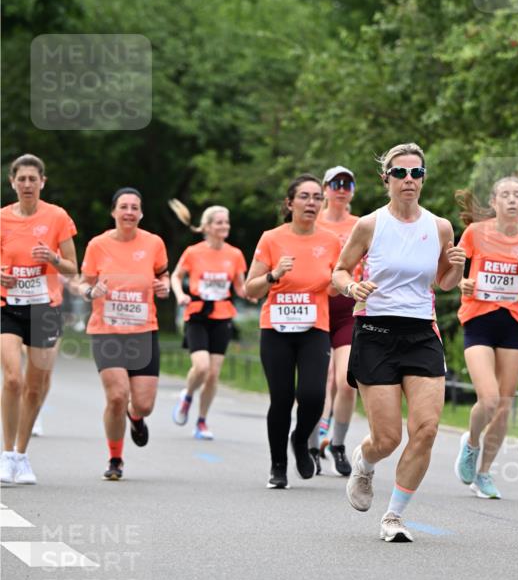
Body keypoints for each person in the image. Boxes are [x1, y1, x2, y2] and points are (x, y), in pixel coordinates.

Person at [332, 143, 466, 543]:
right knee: (387, 438)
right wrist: (353, 286)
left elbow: (443, 284)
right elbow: (339, 271)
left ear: (424, 178)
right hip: (375, 331)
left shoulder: (440, 227)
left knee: (425, 429)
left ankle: (394, 516)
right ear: (385, 178)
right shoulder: (370, 225)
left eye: (417, 173)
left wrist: (457, 268)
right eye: (401, 173)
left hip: (421, 331)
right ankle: (364, 461)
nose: (409, 180)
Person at [454, 176, 518, 499]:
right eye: (505, 195)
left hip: (512, 322)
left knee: (504, 405)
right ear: (494, 203)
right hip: (478, 320)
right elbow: (451, 271)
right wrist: (461, 285)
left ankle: (484, 474)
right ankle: (471, 443)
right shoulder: (475, 233)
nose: (512, 200)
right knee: (490, 398)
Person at [245, 175, 341, 489]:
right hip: (276, 328)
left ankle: (300, 440)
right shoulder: (272, 238)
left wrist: (347, 284)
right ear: (290, 203)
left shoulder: (330, 241)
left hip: (314, 327)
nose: (311, 203)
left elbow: (339, 283)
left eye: (316, 197)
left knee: (313, 395)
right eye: (304, 196)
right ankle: (278, 465)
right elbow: (250, 288)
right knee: (282, 398)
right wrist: (274, 275)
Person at [79, 188, 169, 480]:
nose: (129, 212)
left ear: (140, 213)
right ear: (114, 212)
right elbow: (83, 284)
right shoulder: (97, 245)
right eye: (124, 207)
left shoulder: (154, 243)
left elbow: (163, 275)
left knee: (143, 403)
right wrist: (93, 291)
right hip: (107, 330)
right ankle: (115, 458)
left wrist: (164, 286)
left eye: (134, 207)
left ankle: (136, 416)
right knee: (117, 396)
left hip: (143, 330)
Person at [1, 155, 78, 485]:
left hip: (45, 310)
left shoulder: (57, 217)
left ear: (42, 182)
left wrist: (54, 258)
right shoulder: (2, 218)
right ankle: (6, 455)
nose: (28, 184)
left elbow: (74, 267)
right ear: (12, 182)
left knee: (34, 388)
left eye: (34, 179)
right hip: (9, 308)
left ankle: (21, 455)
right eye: (22, 179)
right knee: (13, 380)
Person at [169, 200, 251, 440]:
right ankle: (188, 395)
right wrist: (180, 294)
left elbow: (239, 287)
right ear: (207, 227)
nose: (225, 226)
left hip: (223, 316)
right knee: (202, 367)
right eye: (219, 222)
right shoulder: (193, 252)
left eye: (226, 222)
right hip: (196, 314)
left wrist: (254, 291)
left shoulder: (234, 254)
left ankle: (201, 421)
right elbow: (176, 276)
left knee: (213, 374)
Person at [308, 165, 360, 477]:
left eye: (348, 184)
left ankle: (337, 444)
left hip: (348, 309)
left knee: (346, 381)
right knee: (317, 384)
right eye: (336, 183)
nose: (342, 189)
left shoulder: (362, 224)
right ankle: (312, 445)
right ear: (326, 189)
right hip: (316, 307)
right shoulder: (313, 221)